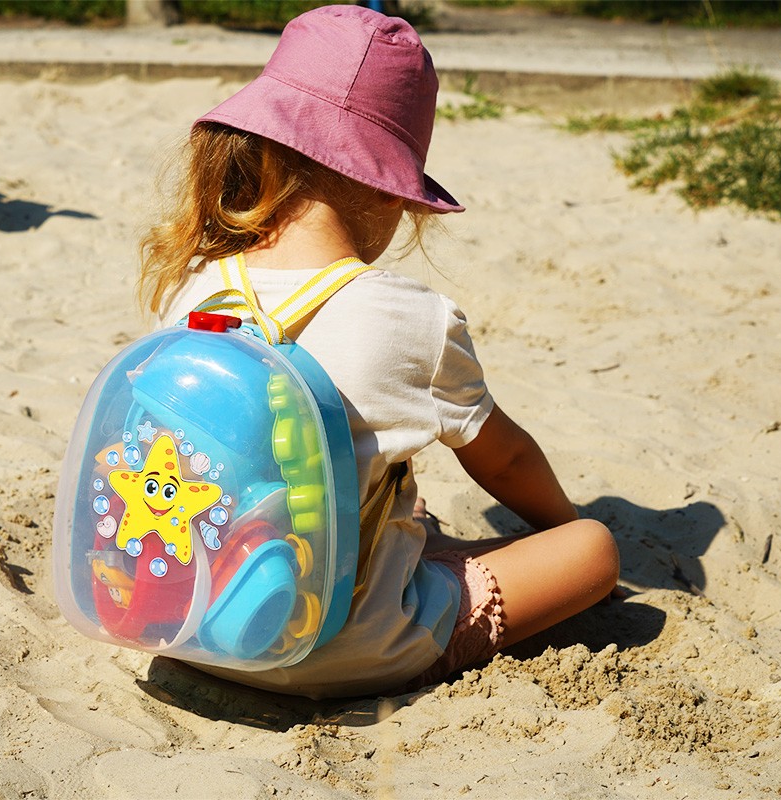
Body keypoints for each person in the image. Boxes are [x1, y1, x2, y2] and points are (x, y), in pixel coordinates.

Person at [137, 5, 619, 699]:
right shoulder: (411, 318)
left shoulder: (191, 284)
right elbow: (506, 460)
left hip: (187, 622)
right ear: (388, 188)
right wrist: (560, 526)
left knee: (402, 516)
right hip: (342, 652)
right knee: (591, 549)